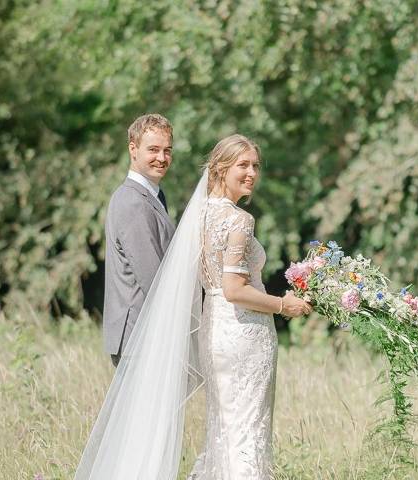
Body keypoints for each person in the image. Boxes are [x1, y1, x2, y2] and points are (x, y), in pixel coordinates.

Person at [74, 134, 310, 480]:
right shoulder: (239, 220)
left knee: (224, 429)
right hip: (243, 333)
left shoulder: (197, 214)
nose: (252, 173)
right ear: (220, 168)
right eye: (243, 165)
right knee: (246, 432)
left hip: (214, 331)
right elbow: (233, 289)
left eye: (255, 165)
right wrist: (282, 304)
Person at [102, 113, 175, 367]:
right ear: (133, 149)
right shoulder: (132, 201)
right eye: (153, 149)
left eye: (167, 150)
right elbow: (151, 276)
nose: (162, 158)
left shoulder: (154, 195)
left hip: (149, 335)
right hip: (137, 337)